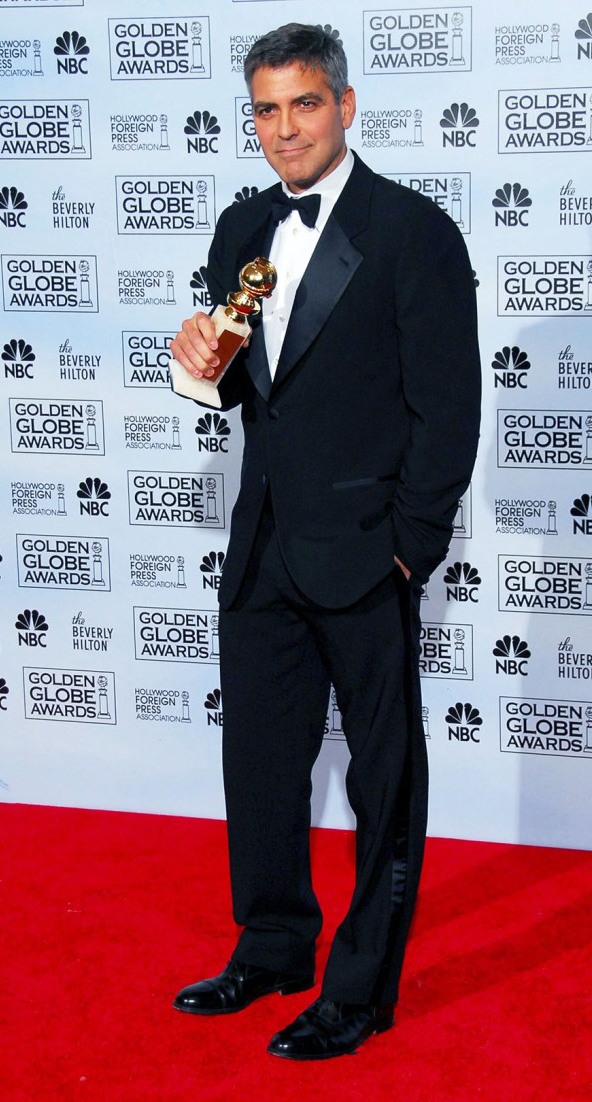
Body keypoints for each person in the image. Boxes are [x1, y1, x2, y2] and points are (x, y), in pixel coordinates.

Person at [169, 23, 480, 1060]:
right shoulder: (239, 226)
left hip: (364, 546)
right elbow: (234, 381)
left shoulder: (411, 231)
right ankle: (271, 944)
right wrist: (194, 363)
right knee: (258, 758)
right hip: (261, 543)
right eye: (265, 108)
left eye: (303, 103)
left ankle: (358, 987)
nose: (284, 128)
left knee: (380, 779)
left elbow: (448, 406)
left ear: (345, 106)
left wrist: (411, 544)